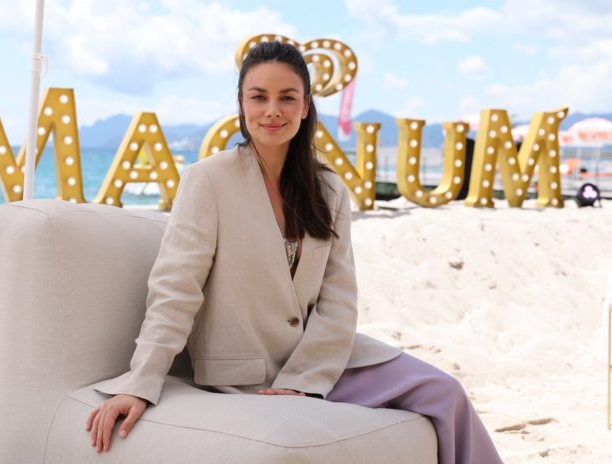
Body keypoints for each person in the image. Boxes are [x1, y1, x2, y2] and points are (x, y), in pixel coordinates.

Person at [85, 41, 503, 464]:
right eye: (259, 97)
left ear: (305, 107)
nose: (273, 110)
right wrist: (140, 382)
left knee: (445, 391)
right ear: (241, 105)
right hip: (247, 371)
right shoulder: (207, 180)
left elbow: (339, 298)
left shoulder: (330, 189)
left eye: (287, 98)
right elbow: (177, 288)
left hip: (323, 362)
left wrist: (305, 379)